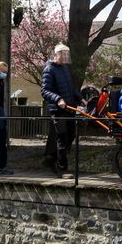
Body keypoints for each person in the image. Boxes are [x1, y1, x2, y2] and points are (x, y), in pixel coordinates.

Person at [41, 44, 87, 176]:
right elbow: (44, 91)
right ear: (56, 55)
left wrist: (80, 98)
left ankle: (51, 159)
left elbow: (71, 88)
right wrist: (58, 99)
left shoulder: (65, 69)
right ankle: (62, 170)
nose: (66, 57)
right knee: (62, 138)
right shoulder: (49, 69)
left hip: (69, 109)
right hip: (58, 109)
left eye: (67, 55)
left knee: (71, 135)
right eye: (63, 55)